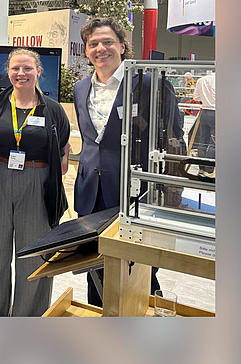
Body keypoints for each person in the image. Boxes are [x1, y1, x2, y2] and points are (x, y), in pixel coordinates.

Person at [72, 18, 182, 305]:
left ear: (122, 45)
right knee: (94, 267)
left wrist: (168, 190)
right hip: (90, 195)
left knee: (141, 270)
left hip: (134, 193)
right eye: (93, 43)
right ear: (86, 50)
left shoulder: (148, 82)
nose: (100, 49)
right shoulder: (81, 88)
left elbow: (174, 135)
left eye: (107, 42)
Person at [0, 49, 71, 316]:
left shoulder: (53, 110)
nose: (21, 74)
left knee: (34, 256)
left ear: (38, 71)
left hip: (37, 184)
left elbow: (62, 149)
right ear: (8, 71)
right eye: (16, 68)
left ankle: (28, 320)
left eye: (27, 68)